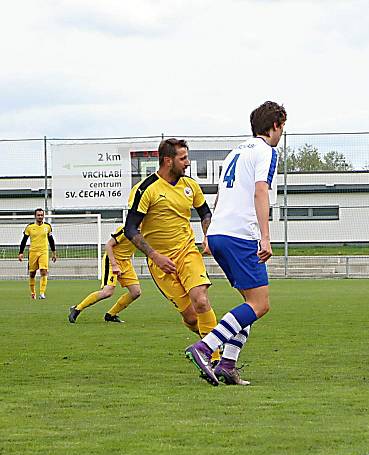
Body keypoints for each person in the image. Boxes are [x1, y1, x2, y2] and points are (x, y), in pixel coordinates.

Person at [185, 101, 286, 386]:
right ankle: (205, 348)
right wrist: (265, 236)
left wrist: (210, 234)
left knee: (248, 304)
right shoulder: (267, 151)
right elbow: (260, 191)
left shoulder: (236, 152)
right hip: (240, 235)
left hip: (220, 233)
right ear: (275, 125)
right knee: (259, 304)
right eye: (282, 127)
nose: (282, 133)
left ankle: (227, 365)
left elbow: (220, 195)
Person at [123, 138, 219, 374]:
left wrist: (208, 236)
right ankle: (210, 343)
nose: (187, 163)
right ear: (168, 160)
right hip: (161, 264)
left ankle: (216, 359)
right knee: (190, 318)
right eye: (183, 158)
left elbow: (205, 212)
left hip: (188, 252)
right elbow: (130, 228)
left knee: (201, 300)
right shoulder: (146, 189)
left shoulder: (190, 186)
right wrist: (155, 256)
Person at [68, 225, 141, 324]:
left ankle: (111, 315)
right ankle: (77, 309)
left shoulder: (145, 230)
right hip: (112, 261)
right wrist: (114, 265)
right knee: (107, 292)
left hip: (126, 262)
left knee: (135, 292)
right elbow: (108, 245)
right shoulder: (126, 229)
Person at [18, 208, 57, 299]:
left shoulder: (47, 226)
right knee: (32, 273)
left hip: (44, 251)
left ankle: (42, 293)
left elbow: (51, 240)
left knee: (44, 271)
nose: (40, 217)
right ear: (35, 216)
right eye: (38, 215)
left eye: (41, 215)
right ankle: (33, 293)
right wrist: (21, 252)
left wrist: (54, 253)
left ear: (43, 216)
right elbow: (24, 240)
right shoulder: (30, 227)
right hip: (33, 252)